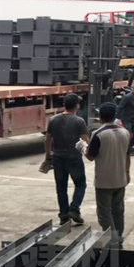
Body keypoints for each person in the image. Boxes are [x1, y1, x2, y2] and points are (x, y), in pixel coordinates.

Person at [85, 102, 131, 246]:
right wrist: (127, 173)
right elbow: (127, 155)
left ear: (100, 117)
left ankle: (112, 241)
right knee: (118, 211)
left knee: (104, 214)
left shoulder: (98, 134)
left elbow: (90, 156)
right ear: (114, 116)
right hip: (120, 178)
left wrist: (82, 147)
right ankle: (119, 237)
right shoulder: (125, 132)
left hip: (104, 181)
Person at [45, 93, 88, 225]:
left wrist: (48, 155)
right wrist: (87, 152)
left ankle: (64, 215)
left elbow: (48, 139)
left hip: (58, 157)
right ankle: (74, 209)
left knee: (61, 187)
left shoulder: (53, 119)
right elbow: (85, 140)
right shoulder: (79, 121)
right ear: (77, 106)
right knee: (80, 184)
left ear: (64, 105)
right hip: (74, 157)